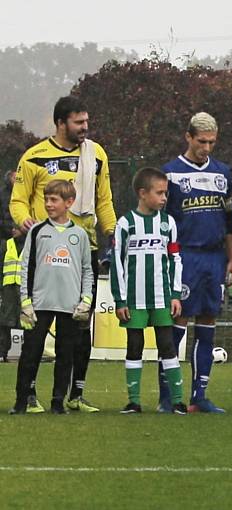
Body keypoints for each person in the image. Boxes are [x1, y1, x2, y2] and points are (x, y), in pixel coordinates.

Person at [11, 95, 117, 413]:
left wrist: (112, 233)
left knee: (80, 327)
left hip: (83, 248)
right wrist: (24, 220)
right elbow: (18, 200)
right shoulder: (34, 156)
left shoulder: (96, 154)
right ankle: (28, 395)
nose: (85, 127)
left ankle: (75, 394)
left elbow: (104, 201)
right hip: (43, 249)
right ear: (60, 123)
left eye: (86, 121)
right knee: (36, 329)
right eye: (78, 122)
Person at [160, 112, 232, 414]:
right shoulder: (171, 174)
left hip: (214, 257)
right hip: (184, 256)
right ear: (188, 137)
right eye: (201, 141)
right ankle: (168, 396)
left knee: (208, 322)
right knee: (177, 322)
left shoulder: (222, 173)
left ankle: (199, 396)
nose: (207, 147)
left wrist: (231, 258)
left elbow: (229, 220)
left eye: (212, 142)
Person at [9, 180, 93, 414]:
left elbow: (87, 270)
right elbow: (25, 267)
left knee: (65, 355)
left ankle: (58, 402)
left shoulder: (80, 235)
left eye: (53, 200)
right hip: (39, 305)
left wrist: (86, 300)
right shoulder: (36, 231)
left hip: (70, 306)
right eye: (46, 199)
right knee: (30, 354)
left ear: (69, 203)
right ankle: (21, 402)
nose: (48, 204)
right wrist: (25, 302)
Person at [111, 168, 187, 414]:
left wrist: (175, 294)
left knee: (167, 345)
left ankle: (177, 401)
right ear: (142, 193)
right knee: (135, 346)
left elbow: (175, 259)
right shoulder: (125, 224)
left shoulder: (168, 222)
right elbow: (118, 263)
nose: (165, 198)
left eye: (166, 193)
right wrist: (120, 299)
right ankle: (134, 401)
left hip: (162, 297)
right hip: (134, 299)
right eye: (160, 193)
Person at [0, 225, 23, 364]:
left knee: (28, 321)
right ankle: (2, 353)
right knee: (4, 321)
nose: (13, 230)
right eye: (12, 227)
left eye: (17, 227)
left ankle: (28, 353)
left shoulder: (30, 245)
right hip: (8, 287)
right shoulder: (7, 244)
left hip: (24, 288)